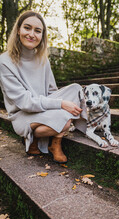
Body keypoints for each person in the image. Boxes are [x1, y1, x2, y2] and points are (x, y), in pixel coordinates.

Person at [0, 10, 87, 164]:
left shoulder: (43, 59)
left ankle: (54, 143)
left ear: (42, 36)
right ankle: (34, 137)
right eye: (27, 28)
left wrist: (60, 103)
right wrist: (60, 105)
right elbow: (24, 102)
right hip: (22, 114)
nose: (32, 34)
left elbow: (52, 91)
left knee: (76, 89)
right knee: (65, 120)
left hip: (44, 108)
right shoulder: (4, 61)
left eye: (37, 31)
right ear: (18, 29)